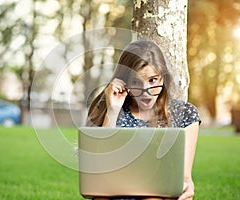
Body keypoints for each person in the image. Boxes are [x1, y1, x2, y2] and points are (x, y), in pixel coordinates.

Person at [86, 40, 201, 200]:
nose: (146, 92)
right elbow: (98, 171)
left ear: (163, 79)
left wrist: (188, 188)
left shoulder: (185, 113)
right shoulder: (111, 108)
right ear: (124, 82)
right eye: (135, 82)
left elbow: (184, 178)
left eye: (152, 80)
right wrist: (112, 111)